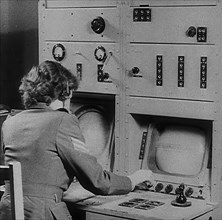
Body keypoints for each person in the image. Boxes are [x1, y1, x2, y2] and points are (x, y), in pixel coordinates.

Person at [0, 60, 153, 220]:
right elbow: (98, 181)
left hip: (8, 209)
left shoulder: (10, 122)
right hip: (42, 213)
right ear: (64, 94)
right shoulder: (62, 120)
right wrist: (133, 180)